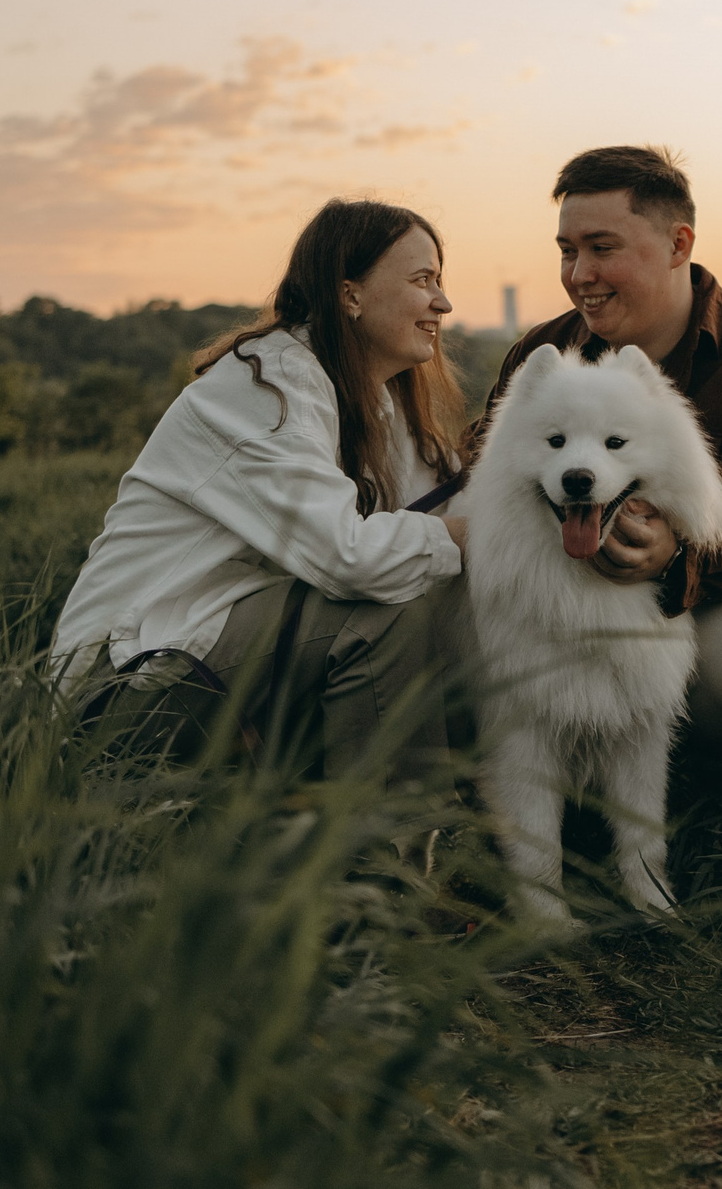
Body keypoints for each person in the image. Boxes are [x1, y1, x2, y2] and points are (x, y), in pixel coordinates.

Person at [52, 199, 470, 776]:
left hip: (204, 650)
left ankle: (349, 820)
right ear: (350, 294)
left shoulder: (368, 399)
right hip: (122, 682)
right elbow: (350, 558)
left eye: (439, 282)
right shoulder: (269, 388)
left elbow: (445, 492)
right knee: (380, 614)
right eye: (423, 280)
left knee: (435, 593)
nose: (443, 303)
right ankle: (379, 851)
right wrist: (461, 534)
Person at [472, 145, 722, 754]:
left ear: (679, 245)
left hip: (712, 586)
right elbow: (485, 468)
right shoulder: (543, 351)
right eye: (567, 252)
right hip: (552, 588)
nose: (580, 275)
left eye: (603, 249)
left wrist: (675, 550)